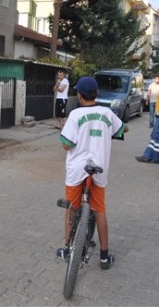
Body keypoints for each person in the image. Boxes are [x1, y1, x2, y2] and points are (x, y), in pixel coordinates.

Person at [57, 76, 129, 270]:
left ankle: (66, 247)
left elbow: (66, 144)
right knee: (99, 211)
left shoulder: (75, 115)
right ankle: (105, 256)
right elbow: (124, 129)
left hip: (76, 170)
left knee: (72, 208)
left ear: (79, 95)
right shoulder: (107, 113)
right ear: (96, 94)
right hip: (98, 170)